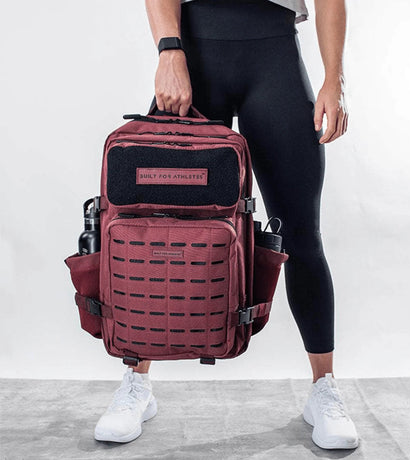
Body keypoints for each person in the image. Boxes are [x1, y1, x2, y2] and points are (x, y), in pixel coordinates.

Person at [94, 0, 359, 451]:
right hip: (194, 54)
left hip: (274, 57)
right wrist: (169, 50)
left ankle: (324, 389)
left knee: (301, 236)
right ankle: (136, 382)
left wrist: (335, 79)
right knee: (156, 228)